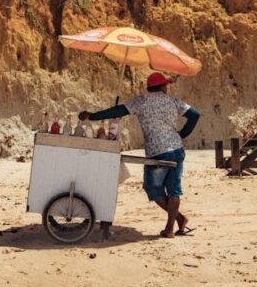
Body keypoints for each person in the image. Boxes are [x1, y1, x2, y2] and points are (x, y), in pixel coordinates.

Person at [79, 72, 200, 238]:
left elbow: (117, 111)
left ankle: (178, 220)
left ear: (149, 87)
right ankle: (172, 227)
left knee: (153, 188)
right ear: (163, 87)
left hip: (157, 152)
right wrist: (181, 134)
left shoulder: (141, 101)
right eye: (166, 85)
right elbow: (195, 115)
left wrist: (92, 116)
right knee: (174, 190)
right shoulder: (173, 102)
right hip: (177, 150)